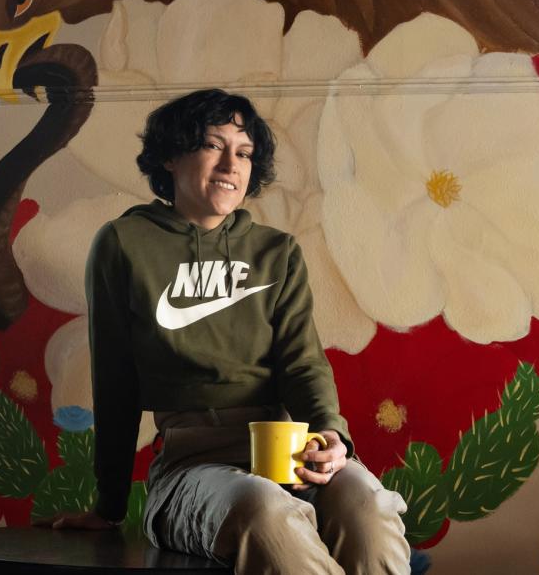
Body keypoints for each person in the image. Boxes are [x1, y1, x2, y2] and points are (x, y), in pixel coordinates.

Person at [47, 89, 412, 574]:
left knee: (369, 504)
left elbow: (303, 363)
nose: (230, 164)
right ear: (171, 156)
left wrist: (329, 435)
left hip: (288, 449)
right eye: (212, 146)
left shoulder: (276, 253)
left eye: (243, 153)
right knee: (262, 510)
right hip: (191, 465)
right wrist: (110, 505)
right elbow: (115, 384)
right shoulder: (124, 245)